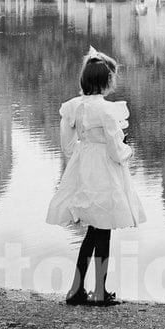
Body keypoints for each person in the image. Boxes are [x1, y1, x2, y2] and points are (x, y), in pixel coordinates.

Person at [46, 48, 145, 306]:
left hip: (83, 168)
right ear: (107, 82)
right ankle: (100, 292)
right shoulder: (107, 110)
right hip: (104, 171)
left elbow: (67, 146)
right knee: (103, 231)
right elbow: (115, 148)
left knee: (92, 231)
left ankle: (76, 290)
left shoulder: (74, 108)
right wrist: (128, 149)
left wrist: (85, 151)